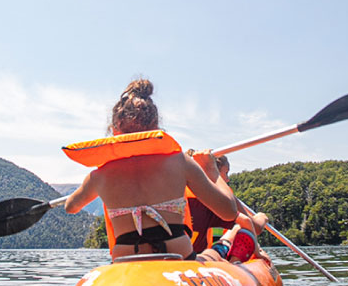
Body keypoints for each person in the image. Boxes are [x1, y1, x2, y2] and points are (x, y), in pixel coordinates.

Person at [64, 78, 250, 262]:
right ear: (156, 127)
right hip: (178, 258)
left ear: (114, 131)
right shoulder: (180, 163)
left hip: (126, 262)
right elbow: (228, 211)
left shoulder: (99, 175)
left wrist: (92, 186)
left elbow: (70, 207)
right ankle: (227, 244)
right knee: (213, 253)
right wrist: (212, 171)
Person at [186, 152, 270, 251]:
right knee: (237, 228)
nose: (227, 179)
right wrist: (262, 217)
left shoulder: (177, 188)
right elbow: (255, 228)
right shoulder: (224, 197)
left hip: (184, 253)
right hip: (203, 255)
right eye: (226, 173)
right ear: (213, 170)